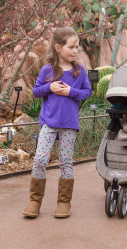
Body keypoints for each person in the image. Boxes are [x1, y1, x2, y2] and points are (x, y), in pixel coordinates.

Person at [23, 27, 92, 219]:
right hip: (49, 124)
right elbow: (36, 92)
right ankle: (35, 201)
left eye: (77, 47)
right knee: (40, 160)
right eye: (71, 47)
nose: (75, 51)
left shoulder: (79, 71)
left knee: (66, 162)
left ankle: (64, 202)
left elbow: (87, 93)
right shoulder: (47, 70)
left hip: (69, 124)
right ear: (59, 47)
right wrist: (50, 87)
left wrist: (71, 92)